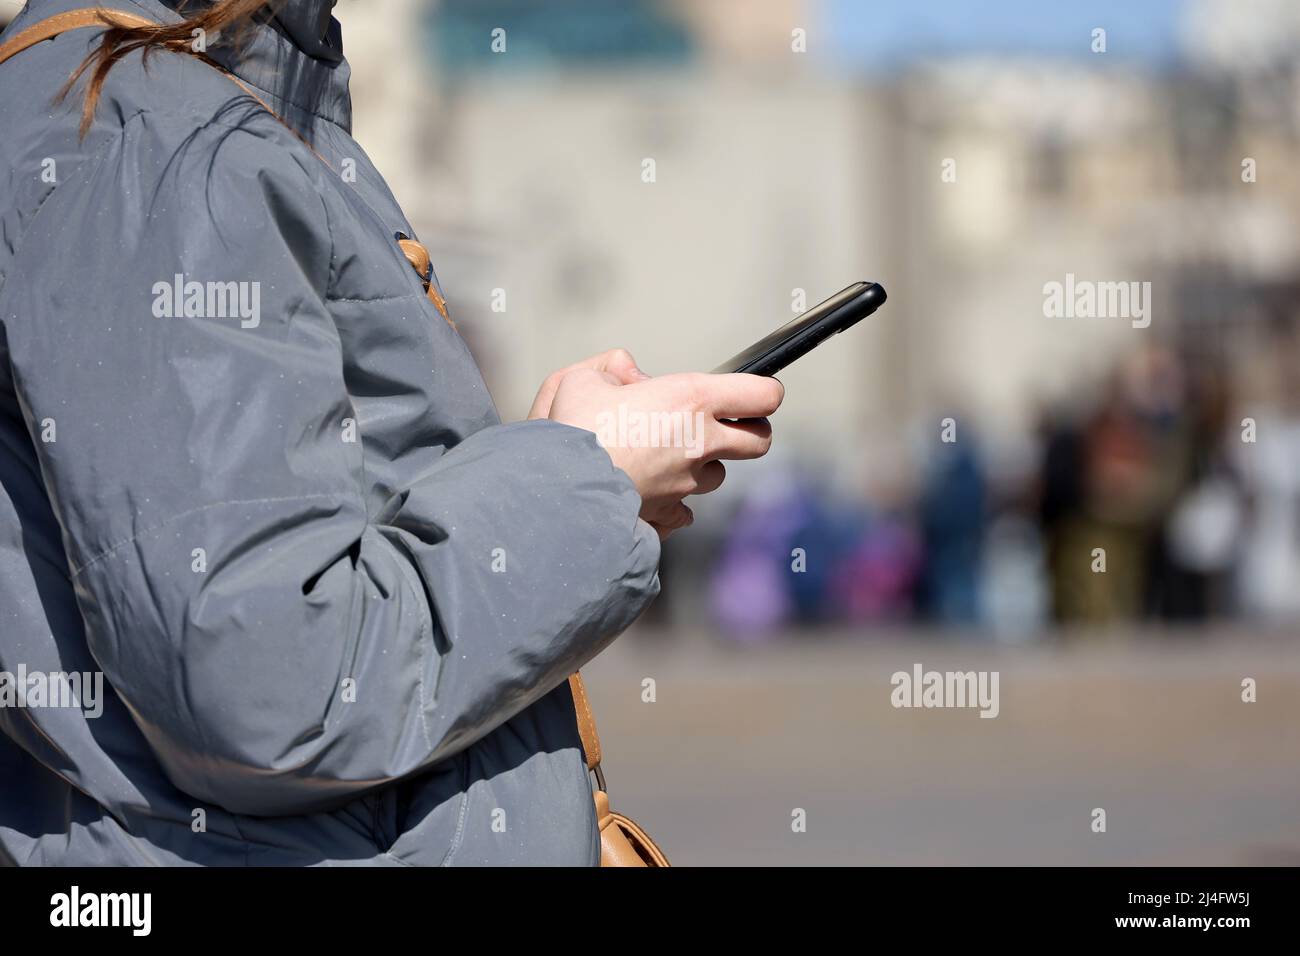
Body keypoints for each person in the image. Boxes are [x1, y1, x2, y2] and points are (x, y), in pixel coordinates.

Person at [0, 0, 782, 865]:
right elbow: (269, 683)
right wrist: (588, 484)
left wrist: (558, 453)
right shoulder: (149, 135)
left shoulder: (185, 108)